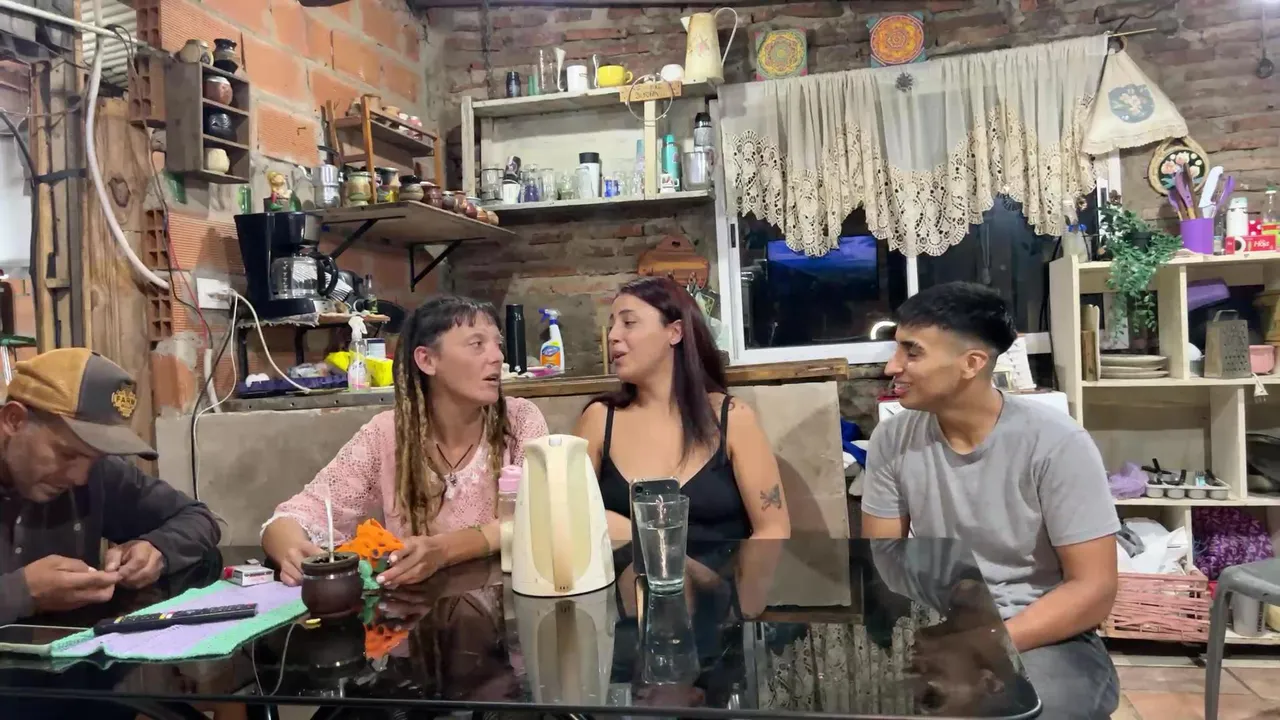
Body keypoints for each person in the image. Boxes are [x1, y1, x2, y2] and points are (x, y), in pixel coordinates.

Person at [860, 282, 1120, 719]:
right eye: (896, 348)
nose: (892, 366)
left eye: (912, 352)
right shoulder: (892, 439)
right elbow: (884, 561)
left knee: (1026, 709)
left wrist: (985, 642)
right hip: (945, 622)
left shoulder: (1056, 443)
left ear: (972, 363)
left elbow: (1094, 589)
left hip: (1043, 630)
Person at [262, 295, 549, 589]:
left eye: (498, 344)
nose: (497, 357)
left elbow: (540, 517)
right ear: (427, 360)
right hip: (414, 608)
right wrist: (292, 552)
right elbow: (290, 519)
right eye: (477, 344)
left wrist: (444, 550)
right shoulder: (386, 434)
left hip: (510, 601)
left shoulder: (519, 421)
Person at [0, 348, 221, 624]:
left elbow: (198, 518)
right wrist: (22, 593)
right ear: (14, 420)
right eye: (67, 454)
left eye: (95, 458)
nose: (80, 478)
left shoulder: (98, 471)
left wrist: (157, 548)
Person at [574, 277, 790, 544]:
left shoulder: (732, 418)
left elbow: (773, 531)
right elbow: (569, 522)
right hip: (624, 572)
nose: (612, 336)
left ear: (675, 332)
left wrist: (642, 536)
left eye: (628, 322)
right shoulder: (598, 419)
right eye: (612, 325)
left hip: (723, 571)